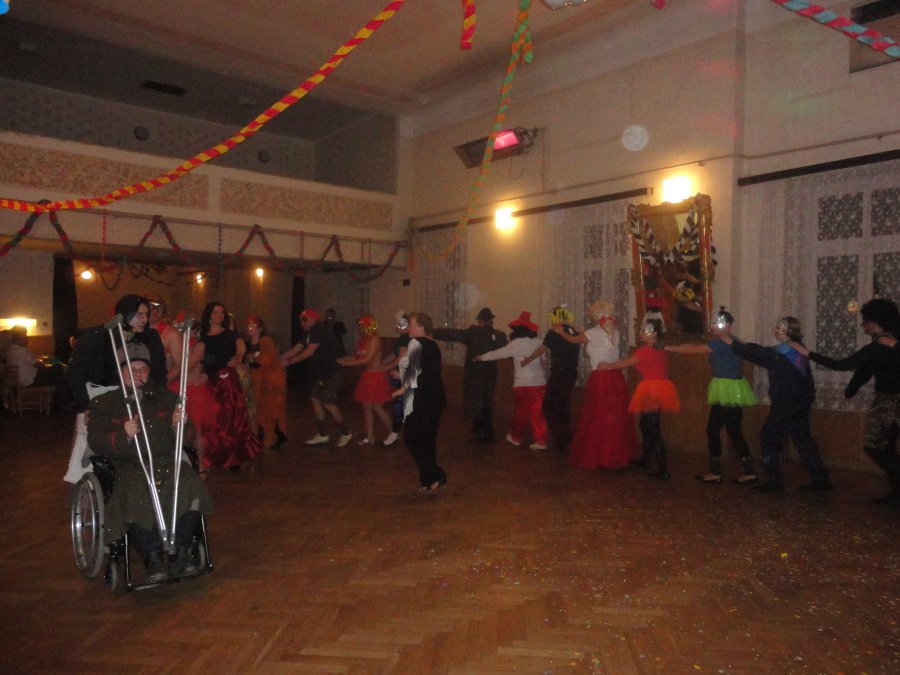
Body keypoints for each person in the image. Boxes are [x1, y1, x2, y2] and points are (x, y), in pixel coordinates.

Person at [88, 342, 213, 582]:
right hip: (129, 464)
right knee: (136, 488)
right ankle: (152, 555)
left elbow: (187, 436)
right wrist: (123, 435)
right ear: (121, 371)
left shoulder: (166, 398)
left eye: (143, 369)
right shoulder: (105, 403)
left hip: (164, 460)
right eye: (132, 369)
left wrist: (178, 425)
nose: (138, 374)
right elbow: (96, 440)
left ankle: (181, 550)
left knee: (188, 481)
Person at [790, 299, 900, 506]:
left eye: (865, 321)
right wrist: (852, 388)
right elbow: (866, 371)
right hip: (891, 404)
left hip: (888, 404)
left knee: (874, 447)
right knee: (886, 447)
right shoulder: (891, 344)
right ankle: (896, 493)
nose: (863, 325)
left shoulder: (877, 347)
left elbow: (841, 365)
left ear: (876, 323)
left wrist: (808, 353)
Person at [720, 316, 832, 493]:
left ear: (790, 331)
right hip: (800, 401)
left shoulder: (784, 352)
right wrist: (734, 340)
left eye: (781, 327)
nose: (776, 330)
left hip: (788, 402)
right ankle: (820, 478)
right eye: (777, 326)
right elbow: (761, 351)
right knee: (802, 438)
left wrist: (730, 342)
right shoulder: (795, 347)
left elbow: (759, 354)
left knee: (769, 437)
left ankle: (774, 481)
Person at [65, 294, 167, 485]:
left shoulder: (149, 337)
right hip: (99, 394)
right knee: (91, 438)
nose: (144, 319)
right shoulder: (98, 336)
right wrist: (85, 406)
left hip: (133, 393)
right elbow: (76, 372)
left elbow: (159, 372)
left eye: (146, 314)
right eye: (139, 315)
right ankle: (88, 483)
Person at [665, 307, 757, 484]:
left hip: (725, 389)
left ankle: (716, 472)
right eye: (713, 323)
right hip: (735, 389)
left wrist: (666, 347)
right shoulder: (734, 341)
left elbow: (692, 349)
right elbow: (692, 347)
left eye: (718, 323)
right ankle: (748, 470)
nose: (714, 326)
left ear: (728, 326)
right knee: (733, 431)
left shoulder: (720, 343)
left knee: (714, 429)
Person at [558, 300, 638, 469]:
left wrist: (561, 332)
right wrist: (572, 325)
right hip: (615, 377)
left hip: (600, 379)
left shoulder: (593, 332)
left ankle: (601, 456)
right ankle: (615, 455)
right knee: (614, 418)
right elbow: (588, 335)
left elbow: (573, 340)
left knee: (598, 415)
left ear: (595, 315)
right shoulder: (613, 331)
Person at [600, 318, 680, 479]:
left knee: (653, 429)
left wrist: (608, 365)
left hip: (651, 389)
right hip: (658, 388)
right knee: (646, 425)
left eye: (644, 331)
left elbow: (628, 362)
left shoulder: (646, 350)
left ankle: (663, 470)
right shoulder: (658, 348)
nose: (640, 333)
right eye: (641, 331)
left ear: (654, 333)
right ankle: (646, 460)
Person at [190, 301, 263, 470]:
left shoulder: (231, 335)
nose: (219, 316)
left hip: (226, 381)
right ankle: (216, 455)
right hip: (210, 381)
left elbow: (240, 348)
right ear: (209, 315)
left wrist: (238, 357)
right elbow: (197, 359)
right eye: (215, 312)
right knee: (213, 420)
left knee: (230, 419)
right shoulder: (203, 338)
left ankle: (234, 457)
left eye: (222, 313)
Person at [474, 311, 548, 450]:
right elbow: (544, 362)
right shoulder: (539, 342)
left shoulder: (516, 343)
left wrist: (481, 357)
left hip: (522, 383)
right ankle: (541, 441)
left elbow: (498, 353)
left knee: (520, 413)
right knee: (538, 413)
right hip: (540, 383)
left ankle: (516, 438)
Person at [433, 307, 508, 442]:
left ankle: (486, 431)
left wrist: (432, 332)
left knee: (476, 401)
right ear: (491, 320)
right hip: (490, 374)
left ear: (480, 320)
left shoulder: (474, 333)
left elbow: (452, 334)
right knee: (486, 400)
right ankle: (481, 427)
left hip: (475, 373)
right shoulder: (500, 335)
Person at [392, 312, 448, 493]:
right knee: (424, 440)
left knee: (414, 439)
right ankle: (430, 479)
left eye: (412, 325)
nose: (409, 328)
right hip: (431, 398)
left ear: (422, 327)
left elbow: (415, 371)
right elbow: (423, 371)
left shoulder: (416, 343)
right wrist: (402, 377)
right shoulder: (432, 345)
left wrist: (402, 388)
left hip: (423, 399)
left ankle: (435, 476)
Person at [281, 309, 353, 447]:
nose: (302, 323)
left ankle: (346, 433)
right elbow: (297, 348)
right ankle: (322, 434)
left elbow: (309, 351)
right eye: (300, 320)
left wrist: (289, 362)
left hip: (332, 372)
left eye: (305, 319)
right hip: (322, 373)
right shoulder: (309, 332)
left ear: (314, 319)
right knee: (315, 399)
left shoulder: (319, 329)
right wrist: (280, 358)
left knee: (327, 402)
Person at [521, 305, 581, 454]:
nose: (551, 321)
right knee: (562, 405)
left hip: (559, 373)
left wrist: (528, 359)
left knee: (549, 406)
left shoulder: (554, 332)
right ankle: (567, 438)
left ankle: (563, 439)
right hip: (571, 373)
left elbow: (541, 349)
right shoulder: (573, 331)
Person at [337, 315, 397, 446]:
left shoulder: (374, 340)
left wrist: (347, 363)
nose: (360, 328)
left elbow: (367, 360)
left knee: (377, 407)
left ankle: (392, 432)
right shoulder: (363, 340)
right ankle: (370, 436)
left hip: (376, 376)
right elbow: (358, 357)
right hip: (368, 376)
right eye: (360, 326)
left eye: (362, 325)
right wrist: (343, 359)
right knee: (367, 407)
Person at [246, 314, 288, 450]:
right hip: (257, 381)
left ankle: (276, 435)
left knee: (272, 409)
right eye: (249, 326)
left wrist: (252, 359)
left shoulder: (265, 340)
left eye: (253, 326)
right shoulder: (248, 343)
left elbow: (265, 360)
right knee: (259, 409)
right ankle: (263, 435)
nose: (250, 328)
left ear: (260, 328)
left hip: (270, 381)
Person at [382, 311, 411, 440]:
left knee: (399, 404)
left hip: (405, 376)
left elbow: (401, 357)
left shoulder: (405, 338)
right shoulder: (402, 338)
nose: (395, 326)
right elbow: (394, 354)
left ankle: (395, 433)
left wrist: (386, 367)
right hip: (402, 375)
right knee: (401, 403)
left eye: (398, 324)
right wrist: (382, 364)